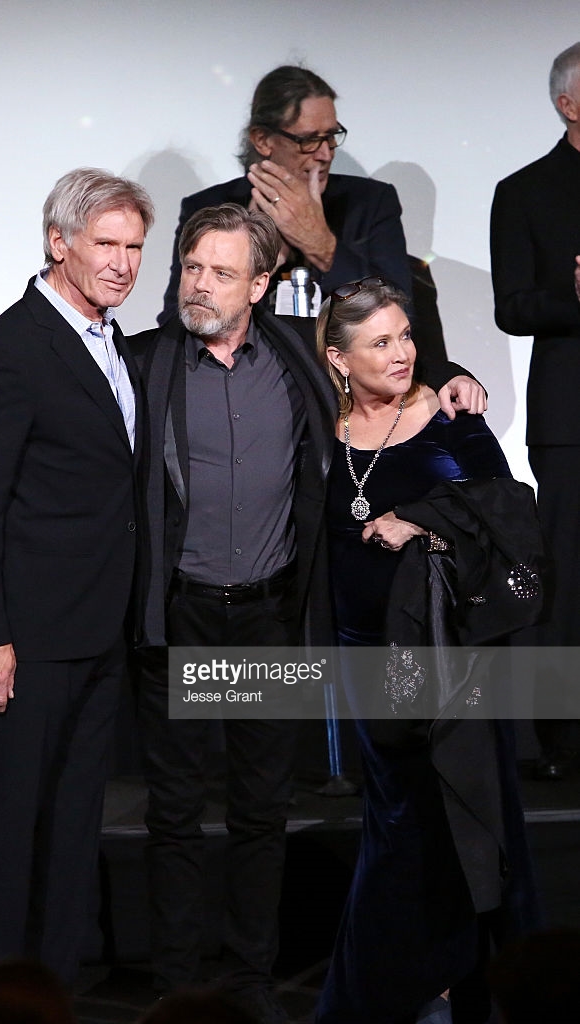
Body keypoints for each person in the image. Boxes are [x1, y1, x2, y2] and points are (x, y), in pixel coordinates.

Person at [129, 204, 484, 1024]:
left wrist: (453, 371)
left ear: (260, 285)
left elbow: (376, 358)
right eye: (191, 267)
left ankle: (251, 982)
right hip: (178, 616)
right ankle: (176, 984)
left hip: (264, 618)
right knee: (176, 811)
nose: (199, 283)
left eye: (222, 272)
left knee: (260, 807)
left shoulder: (295, 355)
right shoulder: (144, 361)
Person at [0, 167, 153, 984]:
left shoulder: (113, 342)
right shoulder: (12, 348)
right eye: (106, 244)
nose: (123, 263)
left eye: (135, 247)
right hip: (26, 642)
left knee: (73, 826)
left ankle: (53, 991)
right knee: (7, 827)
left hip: (100, 631)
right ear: (58, 242)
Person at [314, 280, 541, 1024]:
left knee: (456, 817)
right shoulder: (321, 431)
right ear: (338, 359)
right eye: (380, 342)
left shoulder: (452, 420)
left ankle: (447, 990)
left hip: (450, 661)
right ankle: (404, 989)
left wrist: (421, 525)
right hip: (362, 660)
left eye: (406, 335)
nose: (404, 353)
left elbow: (510, 523)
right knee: (397, 822)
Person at [158, 65, 445, 360]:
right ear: (263, 140)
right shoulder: (210, 210)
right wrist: (257, 259)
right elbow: (175, 324)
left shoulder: (371, 203)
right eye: (308, 140)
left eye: (331, 136)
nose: (325, 153)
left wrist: (322, 246)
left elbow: (403, 316)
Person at [490, 41, 580, 780]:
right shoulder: (525, 191)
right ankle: (562, 738)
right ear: (568, 104)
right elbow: (511, 308)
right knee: (570, 577)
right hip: (571, 415)